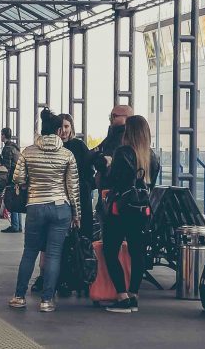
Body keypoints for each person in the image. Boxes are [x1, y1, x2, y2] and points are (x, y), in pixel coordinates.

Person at [8, 109, 80, 313]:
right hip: (60, 208)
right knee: (54, 255)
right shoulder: (67, 154)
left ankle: (19, 297)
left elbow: (18, 178)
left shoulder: (28, 152)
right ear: (58, 130)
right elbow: (72, 188)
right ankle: (47, 301)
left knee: (30, 252)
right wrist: (76, 215)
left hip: (35, 206)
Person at [101, 115, 160, 314]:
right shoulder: (152, 157)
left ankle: (122, 296)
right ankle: (134, 294)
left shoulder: (123, 153)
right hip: (142, 211)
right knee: (137, 252)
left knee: (110, 250)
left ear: (129, 132)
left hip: (121, 210)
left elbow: (113, 180)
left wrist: (108, 166)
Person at [59, 114, 95, 234]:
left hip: (80, 195)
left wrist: (86, 185)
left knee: (82, 231)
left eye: (66, 126)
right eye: (60, 127)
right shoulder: (54, 148)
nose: (63, 130)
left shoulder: (79, 145)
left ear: (71, 127)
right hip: (61, 196)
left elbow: (89, 169)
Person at [0, 128, 22, 233]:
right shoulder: (15, 147)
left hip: (12, 178)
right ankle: (19, 225)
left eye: (1, 134)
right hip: (18, 177)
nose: (1, 136)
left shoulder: (7, 149)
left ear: (4, 135)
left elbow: (6, 168)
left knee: (12, 201)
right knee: (17, 200)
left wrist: (3, 182)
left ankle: (14, 226)